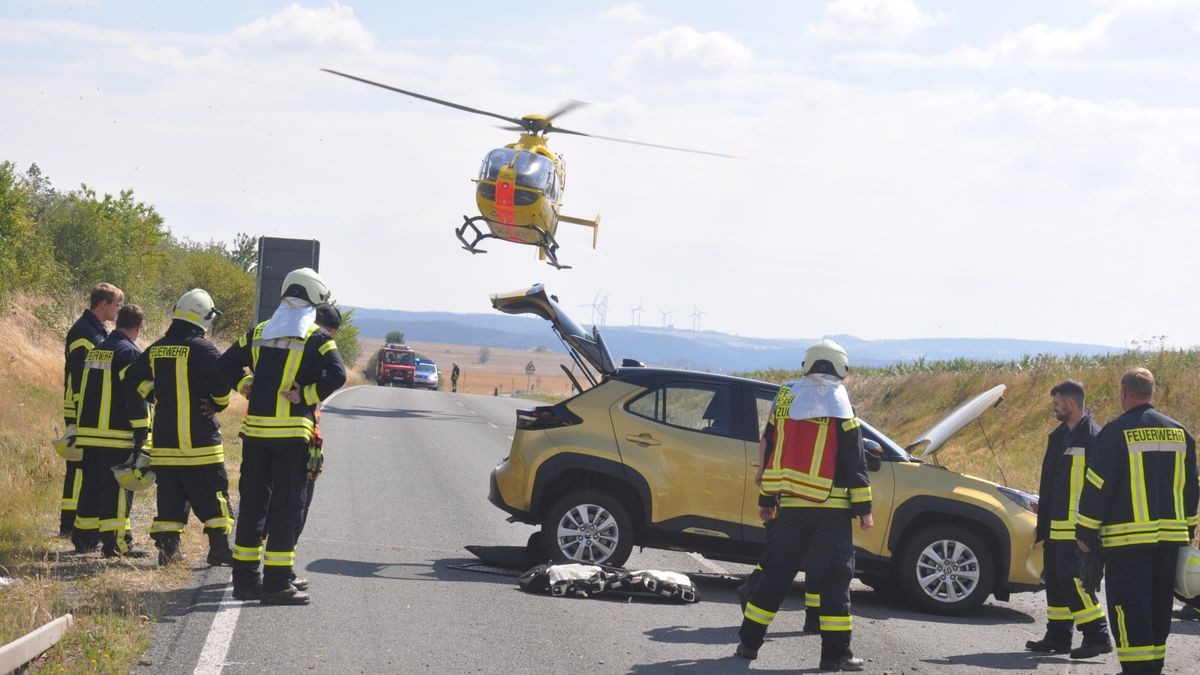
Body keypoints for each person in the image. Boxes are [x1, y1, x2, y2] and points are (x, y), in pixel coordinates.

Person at [736, 339, 872, 672]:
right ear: (840, 367)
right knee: (835, 580)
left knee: (775, 576)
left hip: (792, 508)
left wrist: (767, 498)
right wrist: (864, 508)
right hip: (832, 509)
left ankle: (748, 644)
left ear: (807, 364)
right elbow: (855, 458)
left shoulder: (784, 398)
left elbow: (771, 450)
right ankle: (835, 655)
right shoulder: (840, 403)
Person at [219, 268, 346, 605]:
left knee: (253, 507)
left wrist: (246, 385)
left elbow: (225, 364)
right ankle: (277, 584)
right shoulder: (317, 338)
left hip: (256, 436)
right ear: (313, 301)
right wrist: (305, 395)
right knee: (287, 508)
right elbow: (338, 374)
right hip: (292, 438)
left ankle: (245, 582)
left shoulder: (257, 333)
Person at [1076, 367, 1198, 675]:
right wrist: (1189, 532)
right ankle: (1152, 668)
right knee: (1159, 608)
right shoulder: (1180, 432)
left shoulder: (1116, 433)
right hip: (1170, 543)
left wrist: (1085, 532)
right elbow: (1192, 489)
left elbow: (1097, 486)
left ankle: (1135, 670)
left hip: (1127, 545)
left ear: (1124, 394)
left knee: (1129, 610)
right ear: (1151, 393)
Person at [126, 289, 235, 567]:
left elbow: (132, 376)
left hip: (165, 444)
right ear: (204, 318)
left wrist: (155, 395)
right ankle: (219, 549)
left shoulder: (157, 347)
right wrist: (215, 404)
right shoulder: (205, 349)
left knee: (170, 501)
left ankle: (168, 552)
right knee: (214, 497)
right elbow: (223, 387)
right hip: (200, 444)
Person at [1027, 380, 1112, 657]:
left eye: (1057, 404)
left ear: (1071, 404)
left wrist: (1090, 530)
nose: (1054, 408)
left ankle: (1097, 635)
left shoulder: (1094, 438)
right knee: (1056, 581)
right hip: (1055, 526)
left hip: (1077, 528)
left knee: (1076, 582)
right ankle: (1058, 636)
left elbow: (1100, 488)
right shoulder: (1059, 435)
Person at [71, 304, 150, 557]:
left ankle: (84, 538)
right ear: (138, 327)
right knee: (117, 489)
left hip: (90, 432)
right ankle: (117, 543)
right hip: (116, 435)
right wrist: (142, 429)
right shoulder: (128, 353)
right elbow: (135, 394)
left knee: (91, 486)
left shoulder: (97, 350)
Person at [60, 282, 123, 537]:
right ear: (103, 304)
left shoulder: (97, 331)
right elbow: (79, 376)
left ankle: (79, 525)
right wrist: (78, 416)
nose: (118, 310)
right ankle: (69, 524)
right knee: (78, 469)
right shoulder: (84, 332)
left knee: (84, 468)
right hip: (80, 410)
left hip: (87, 410)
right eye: (116, 305)